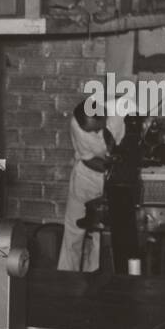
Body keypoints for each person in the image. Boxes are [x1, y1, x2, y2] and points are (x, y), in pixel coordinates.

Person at [57, 99, 126, 272]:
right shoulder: (77, 124)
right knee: (74, 230)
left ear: (103, 115)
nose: (94, 132)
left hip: (113, 179)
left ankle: (95, 277)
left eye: (96, 127)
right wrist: (113, 167)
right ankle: (65, 275)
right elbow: (88, 159)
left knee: (100, 233)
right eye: (89, 130)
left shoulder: (121, 115)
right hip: (86, 176)